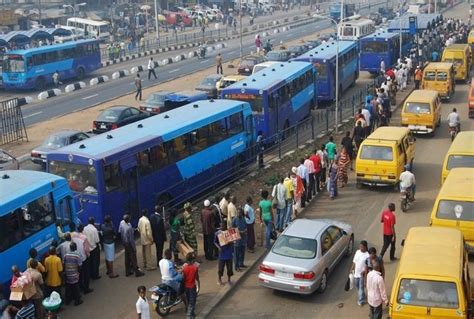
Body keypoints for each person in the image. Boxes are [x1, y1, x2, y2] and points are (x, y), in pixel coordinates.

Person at [72, 224, 92, 294]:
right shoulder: (84, 238)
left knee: (80, 274)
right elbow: (86, 249)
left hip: (77, 258)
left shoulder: (74, 236)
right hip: (84, 258)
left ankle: (81, 287)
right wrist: (88, 255)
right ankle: (86, 289)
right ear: (82, 229)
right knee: (86, 274)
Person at [63, 242, 83, 306]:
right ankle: (77, 300)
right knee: (76, 287)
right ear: (76, 248)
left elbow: (63, 263)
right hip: (74, 273)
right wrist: (78, 272)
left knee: (68, 287)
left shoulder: (66, 255)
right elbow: (80, 265)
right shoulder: (77, 255)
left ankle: (68, 301)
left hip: (67, 273)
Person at [350, 240, 369, 306]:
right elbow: (354, 261)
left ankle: (361, 300)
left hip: (362, 274)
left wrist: (364, 272)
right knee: (357, 286)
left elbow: (368, 266)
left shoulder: (367, 255)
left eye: (362, 247)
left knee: (361, 287)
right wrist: (351, 268)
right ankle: (362, 295)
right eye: (360, 246)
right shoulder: (357, 252)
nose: (361, 248)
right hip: (356, 273)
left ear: (365, 247)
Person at [182, 253, 200, 319]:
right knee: (192, 303)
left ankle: (192, 315)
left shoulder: (184, 268)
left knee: (189, 301)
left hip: (186, 287)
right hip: (192, 287)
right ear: (192, 260)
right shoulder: (195, 268)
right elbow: (197, 278)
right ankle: (189, 316)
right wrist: (198, 283)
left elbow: (183, 278)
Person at [232, 207, 247, 272]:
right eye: (238, 213)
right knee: (237, 254)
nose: (239, 214)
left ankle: (241, 264)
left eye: (240, 213)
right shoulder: (234, 220)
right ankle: (236, 266)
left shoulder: (243, 219)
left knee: (242, 252)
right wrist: (240, 232)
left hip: (243, 239)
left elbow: (246, 226)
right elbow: (232, 230)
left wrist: (245, 230)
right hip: (237, 239)